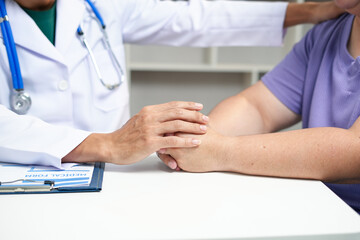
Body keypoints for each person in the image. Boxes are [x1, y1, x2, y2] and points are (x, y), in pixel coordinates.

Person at [0, 0, 343, 168]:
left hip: (113, 182)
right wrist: (106, 144)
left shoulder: (103, 5)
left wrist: (310, 11)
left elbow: (194, 19)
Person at [158, 0, 360, 214]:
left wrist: (220, 151)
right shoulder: (327, 35)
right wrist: (195, 139)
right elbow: (258, 107)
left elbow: (355, 151)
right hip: (323, 211)